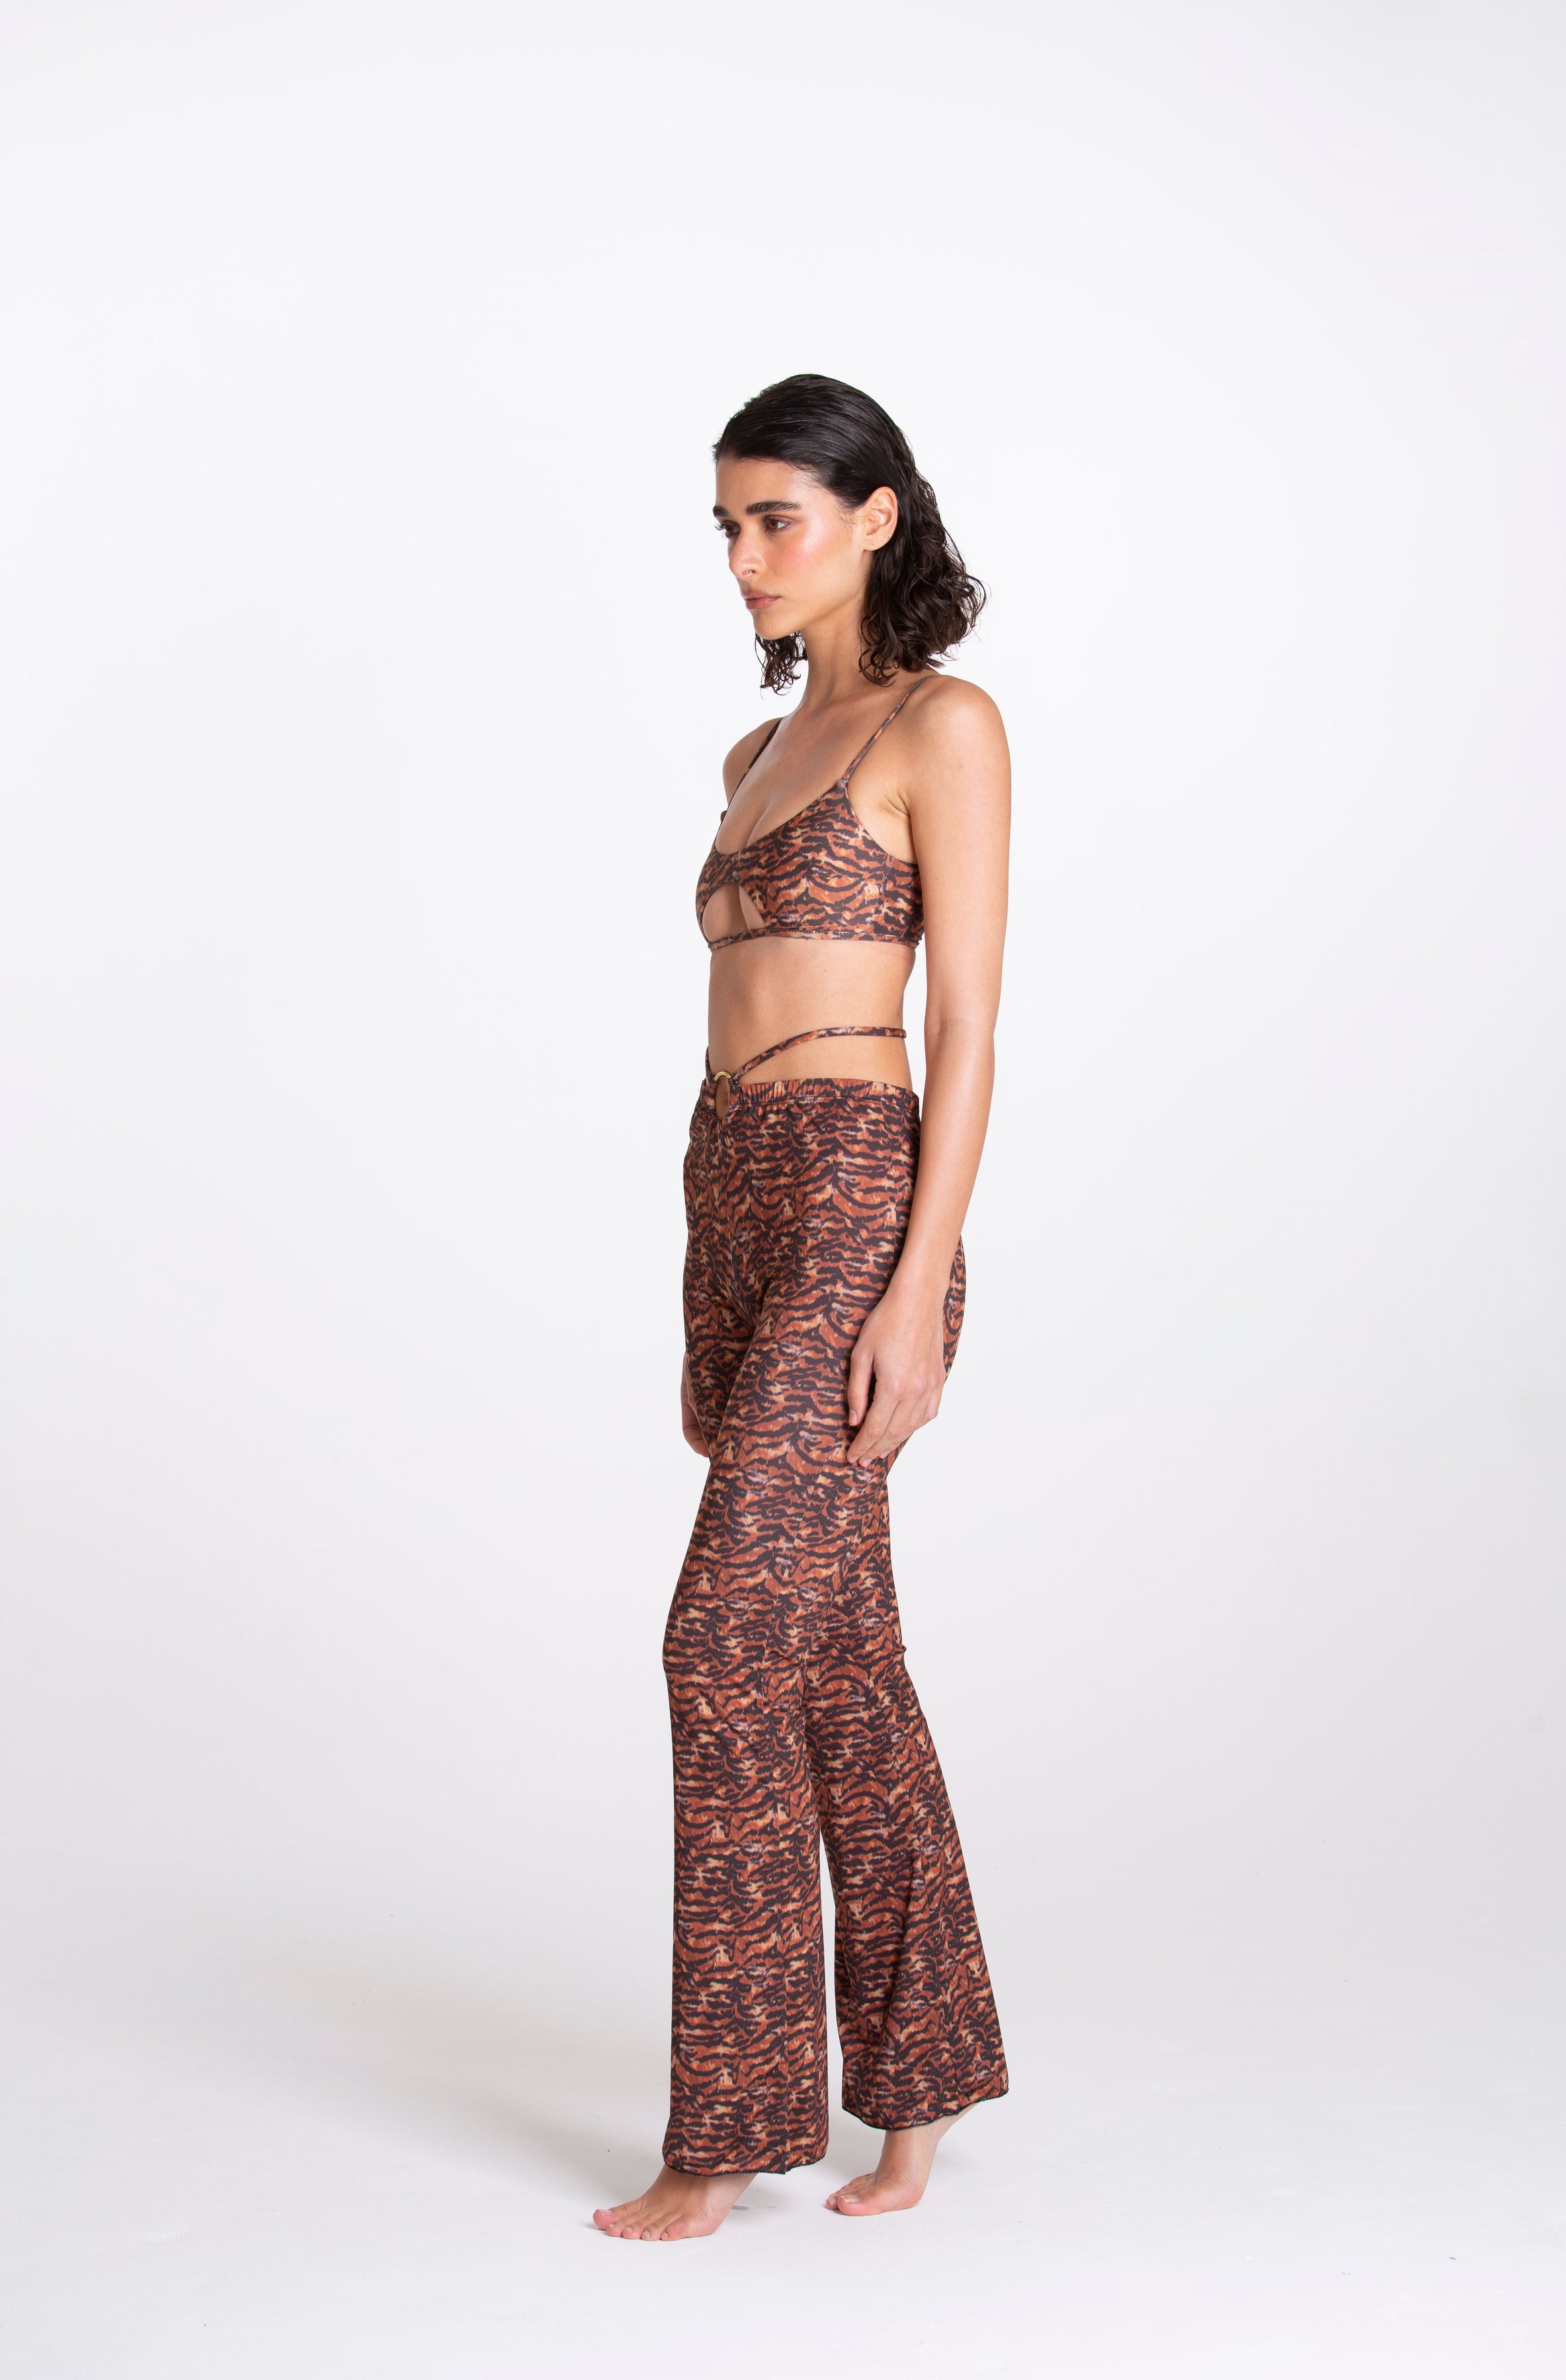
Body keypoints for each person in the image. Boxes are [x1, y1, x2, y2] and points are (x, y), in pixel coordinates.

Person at [595, 376, 1010, 2242]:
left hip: (857, 1190)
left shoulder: (943, 725)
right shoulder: (752, 754)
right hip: (736, 1190)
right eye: (729, 525)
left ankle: (729, 2129)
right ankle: (924, 2083)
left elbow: (967, 1026)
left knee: (719, 1644)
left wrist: (916, 1285)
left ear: (876, 517)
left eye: (778, 519)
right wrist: (705, 1274)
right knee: (834, 1657)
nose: (746, 556)